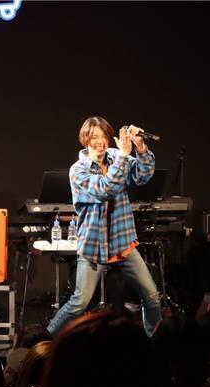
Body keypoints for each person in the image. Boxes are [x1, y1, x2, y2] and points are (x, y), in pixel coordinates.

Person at [47, 117, 161, 337]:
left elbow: (142, 176)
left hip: (122, 241)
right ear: (85, 139)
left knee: (152, 296)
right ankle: (42, 340)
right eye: (94, 137)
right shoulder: (78, 170)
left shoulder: (116, 156)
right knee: (80, 302)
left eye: (104, 136)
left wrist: (140, 148)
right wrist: (124, 157)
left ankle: (155, 342)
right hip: (94, 246)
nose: (100, 142)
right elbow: (105, 189)